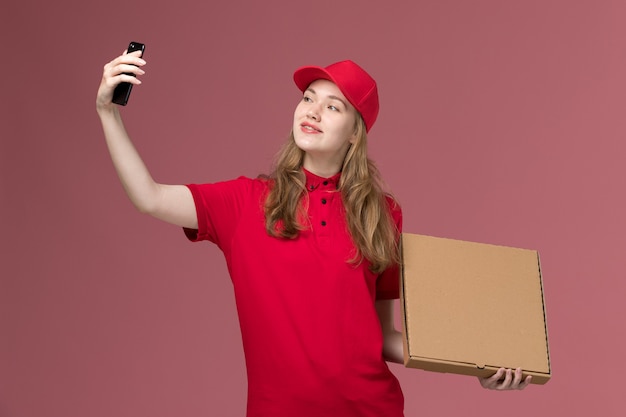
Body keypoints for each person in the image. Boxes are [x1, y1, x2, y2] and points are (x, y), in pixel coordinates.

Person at [96, 50, 531, 417]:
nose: (313, 110)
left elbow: (380, 337)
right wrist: (107, 112)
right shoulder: (246, 202)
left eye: (333, 106)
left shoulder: (381, 214)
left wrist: (477, 363)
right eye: (308, 98)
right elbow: (148, 197)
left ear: (355, 133)